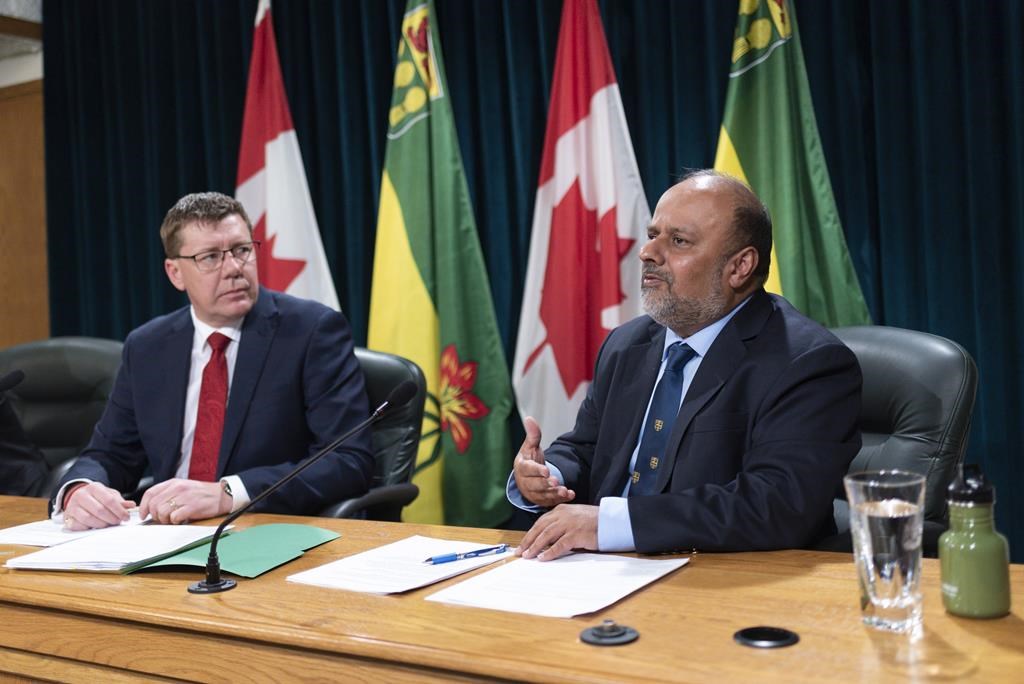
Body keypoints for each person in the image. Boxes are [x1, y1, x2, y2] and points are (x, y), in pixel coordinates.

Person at [510, 170, 862, 560]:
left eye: (678, 241)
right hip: (601, 570)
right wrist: (549, 476)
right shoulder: (627, 344)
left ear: (739, 267)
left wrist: (612, 525)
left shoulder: (808, 362)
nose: (648, 253)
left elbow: (776, 503)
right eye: (652, 235)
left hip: (722, 578)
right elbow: (587, 448)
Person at [52, 192, 373, 529]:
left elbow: (348, 460)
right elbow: (110, 455)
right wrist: (79, 490)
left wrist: (227, 493)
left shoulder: (311, 332)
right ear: (175, 273)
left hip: (263, 531)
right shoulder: (147, 347)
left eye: (242, 250)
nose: (234, 268)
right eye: (210, 257)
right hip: (162, 534)